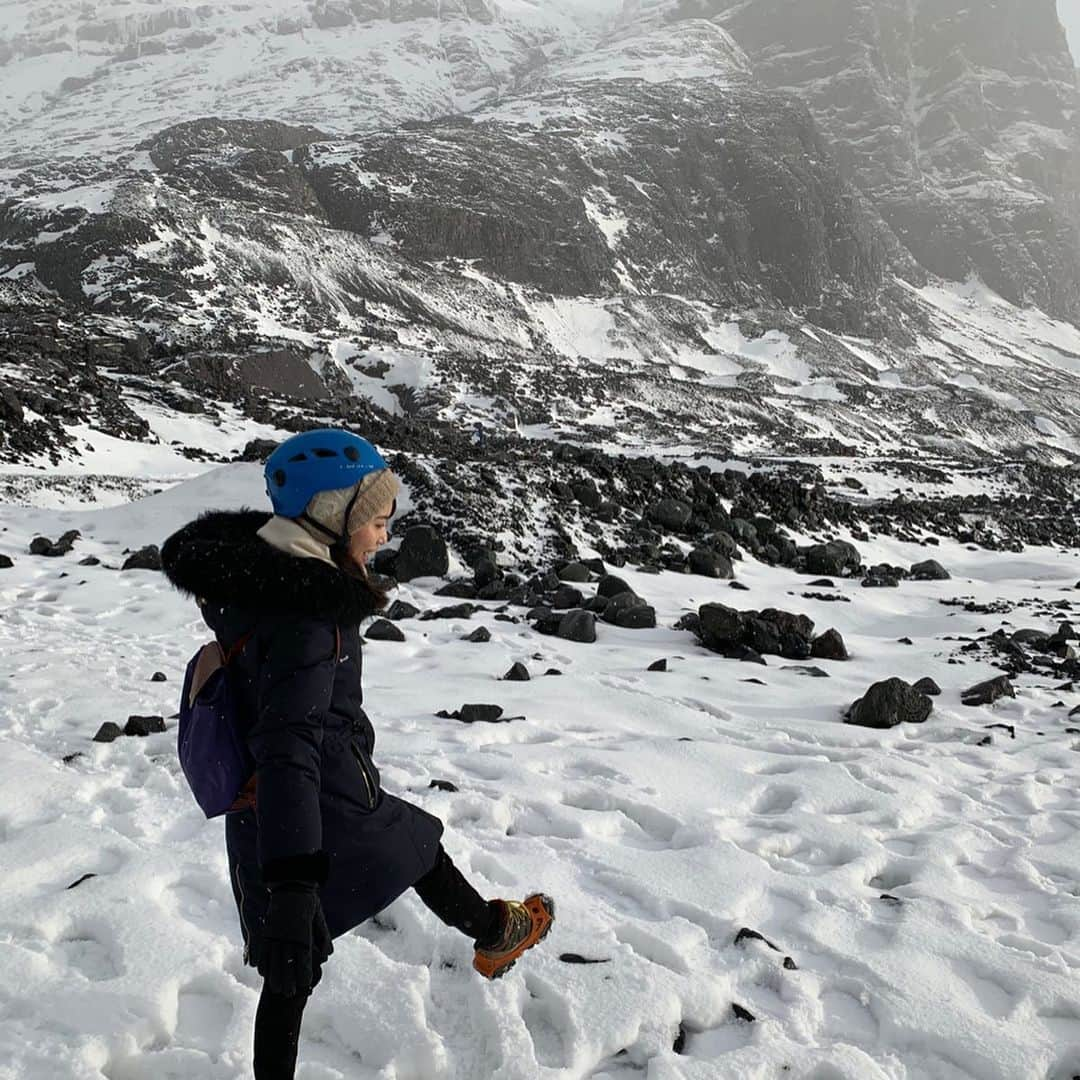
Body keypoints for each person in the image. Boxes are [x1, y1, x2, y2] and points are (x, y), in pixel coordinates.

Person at [161, 428, 554, 1079]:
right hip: (316, 803)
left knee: (311, 947)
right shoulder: (310, 617)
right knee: (352, 904)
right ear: (331, 518)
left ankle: (493, 931)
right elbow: (291, 746)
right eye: (375, 519)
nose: (384, 535)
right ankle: (495, 934)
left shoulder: (255, 575)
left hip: (269, 808)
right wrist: (292, 884)